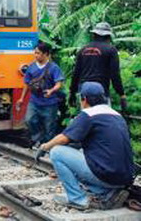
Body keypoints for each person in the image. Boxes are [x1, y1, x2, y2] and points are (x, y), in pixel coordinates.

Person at [40, 82, 134, 210]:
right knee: (83, 152)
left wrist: (45, 146)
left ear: (84, 99)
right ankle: (105, 192)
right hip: (124, 178)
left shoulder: (89, 114)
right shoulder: (117, 115)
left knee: (57, 152)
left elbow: (63, 138)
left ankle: (77, 199)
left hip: (107, 176)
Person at [69, 22, 127, 111]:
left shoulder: (82, 50)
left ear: (94, 35)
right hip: (101, 89)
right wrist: (121, 94)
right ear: (108, 36)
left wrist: (72, 93)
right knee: (103, 118)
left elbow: (76, 73)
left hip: (84, 89)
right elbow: (115, 75)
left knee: (87, 118)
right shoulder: (110, 50)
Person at [16, 42, 64, 145]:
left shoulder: (54, 68)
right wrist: (21, 98)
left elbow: (59, 83)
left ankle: (46, 145)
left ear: (46, 54)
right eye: (35, 53)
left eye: (38, 53)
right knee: (29, 120)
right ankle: (37, 138)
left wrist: (51, 91)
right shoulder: (32, 67)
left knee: (49, 126)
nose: (36, 55)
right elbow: (26, 83)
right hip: (34, 101)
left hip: (50, 102)